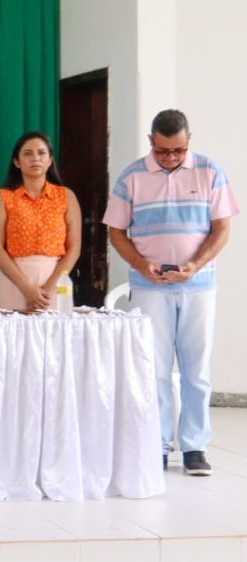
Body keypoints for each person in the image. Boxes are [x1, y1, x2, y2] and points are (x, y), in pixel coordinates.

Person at [104, 109, 238, 476]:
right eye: (163, 151)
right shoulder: (131, 176)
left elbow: (222, 228)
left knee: (197, 369)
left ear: (188, 140)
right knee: (155, 369)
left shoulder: (210, 170)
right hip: (150, 287)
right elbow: (116, 231)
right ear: (151, 142)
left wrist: (195, 265)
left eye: (178, 150)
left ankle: (195, 446)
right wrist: (140, 264)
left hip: (198, 285)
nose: (171, 158)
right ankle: (158, 443)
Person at [0, 131, 82, 313]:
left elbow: (74, 248)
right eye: (27, 153)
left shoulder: (66, 196)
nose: (35, 158)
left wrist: (50, 288)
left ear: (50, 160)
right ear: (17, 162)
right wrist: (27, 289)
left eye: (41, 153)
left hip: (55, 281)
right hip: (14, 281)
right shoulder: (2, 198)